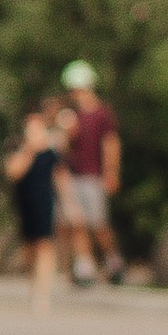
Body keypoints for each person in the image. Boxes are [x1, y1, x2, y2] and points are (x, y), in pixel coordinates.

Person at [56, 61, 122, 284]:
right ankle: (85, 266)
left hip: (94, 174)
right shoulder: (69, 116)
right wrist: (67, 133)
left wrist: (111, 172)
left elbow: (110, 143)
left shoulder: (102, 114)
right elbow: (63, 149)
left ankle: (113, 261)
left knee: (98, 223)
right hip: (74, 175)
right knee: (77, 223)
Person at [5, 105, 63, 315]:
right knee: (29, 246)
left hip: (45, 199)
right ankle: (32, 285)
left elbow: (60, 176)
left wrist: (69, 202)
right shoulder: (17, 146)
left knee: (44, 244)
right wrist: (29, 149)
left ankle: (43, 292)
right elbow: (14, 173)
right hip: (24, 200)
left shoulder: (51, 150)